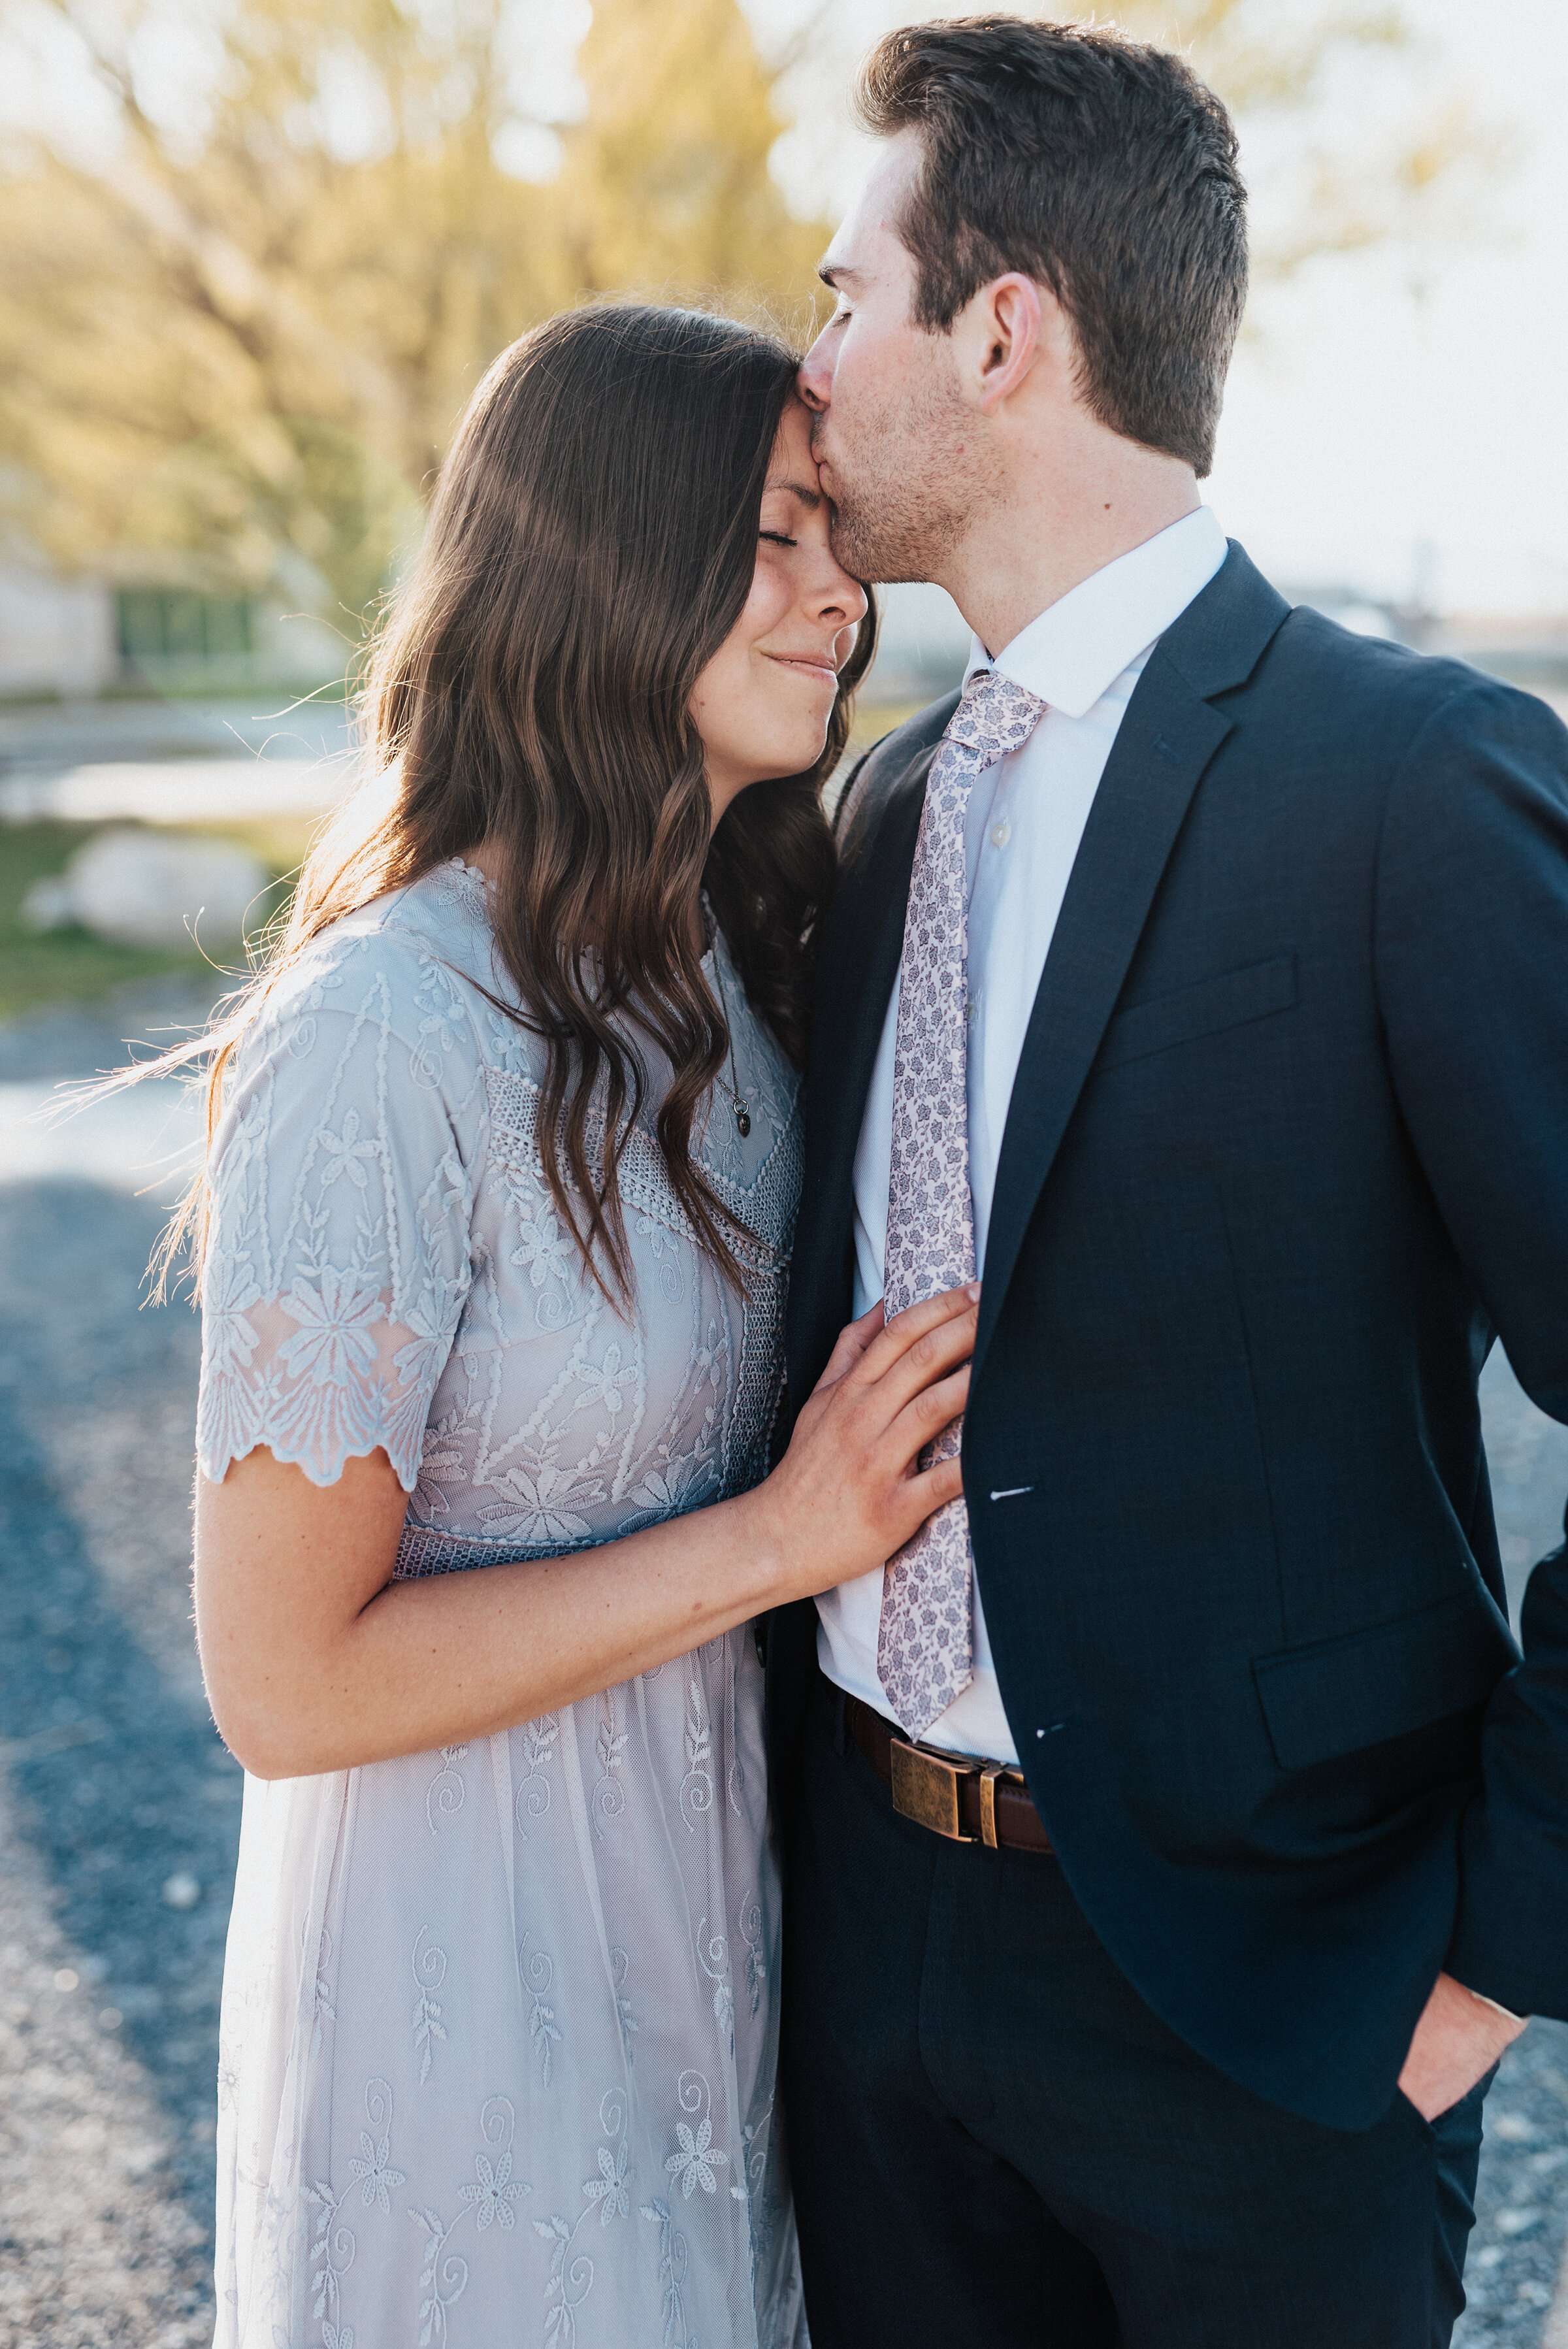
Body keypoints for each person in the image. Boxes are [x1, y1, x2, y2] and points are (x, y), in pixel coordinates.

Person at [768, 18, 1568, 2347]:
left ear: (1004, 331)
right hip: (878, 1968)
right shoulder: (895, 805)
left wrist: (1491, 1957)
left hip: (1284, 2009)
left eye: (846, 299)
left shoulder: (1413, 784)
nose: (811, 373)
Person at [177, 304, 977, 2348]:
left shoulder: (720, 973)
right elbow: (282, 1681)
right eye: (784, 535)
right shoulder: (381, 1035)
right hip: (460, 1988)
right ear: (613, 551)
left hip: (704, 1939)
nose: (842, 594)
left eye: (838, 538)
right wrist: (783, 1539)